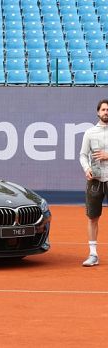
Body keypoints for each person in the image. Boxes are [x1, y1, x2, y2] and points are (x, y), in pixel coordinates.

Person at [80, 99, 108, 267]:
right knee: (92, 217)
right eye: (104, 109)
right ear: (98, 112)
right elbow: (83, 155)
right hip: (95, 181)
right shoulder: (90, 132)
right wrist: (86, 168)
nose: (106, 112)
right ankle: (93, 254)